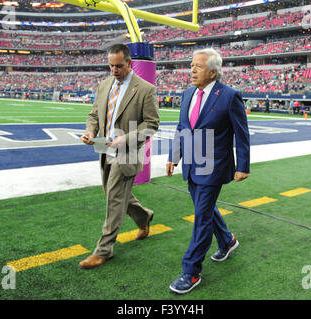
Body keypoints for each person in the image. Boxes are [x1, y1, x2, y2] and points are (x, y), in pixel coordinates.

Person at [166, 48, 250, 294]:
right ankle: (227, 240)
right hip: (192, 164)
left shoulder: (230, 96)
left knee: (201, 217)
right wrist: (174, 156)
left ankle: (191, 272)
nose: (192, 70)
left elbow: (241, 134)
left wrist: (243, 166)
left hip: (214, 166)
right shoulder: (188, 93)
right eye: (191, 65)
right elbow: (182, 127)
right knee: (204, 209)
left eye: (198, 67)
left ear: (213, 73)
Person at [79, 44, 160, 268]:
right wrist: (90, 131)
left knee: (115, 199)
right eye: (111, 66)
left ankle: (104, 250)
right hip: (105, 148)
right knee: (114, 194)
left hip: (127, 151)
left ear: (130, 63)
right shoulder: (104, 85)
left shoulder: (145, 89)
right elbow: (94, 114)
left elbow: (151, 125)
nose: (114, 70)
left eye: (119, 66)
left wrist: (126, 138)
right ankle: (144, 217)